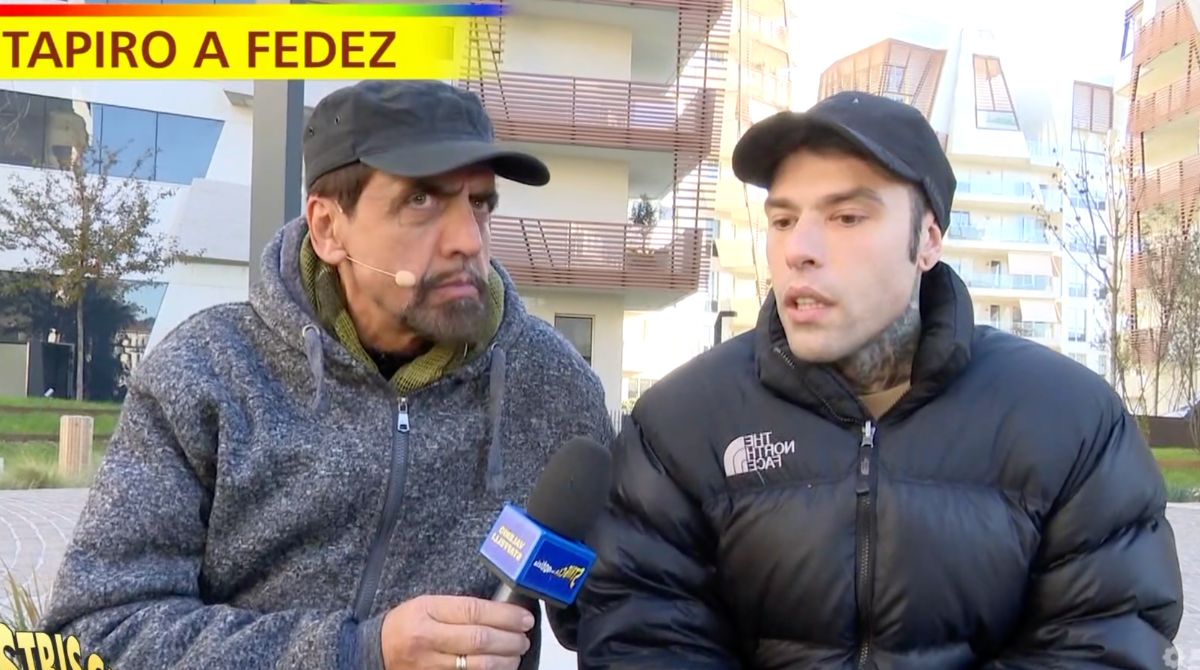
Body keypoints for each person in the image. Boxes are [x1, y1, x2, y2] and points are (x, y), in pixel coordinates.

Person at [572, 91, 1184, 668]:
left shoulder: (1069, 421)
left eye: (846, 216)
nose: (799, 250)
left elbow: (1105, 638)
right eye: (782, 220)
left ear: (928, 241)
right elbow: (643, 634)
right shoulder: (682, 424)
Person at [39, 80, 614, 670]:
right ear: (328, 227)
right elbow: (94, 634)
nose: (468, 240)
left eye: (480, 204)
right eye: (421, 201)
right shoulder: (205, 374)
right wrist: (357, 653)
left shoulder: (554, 387)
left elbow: (621, 610)